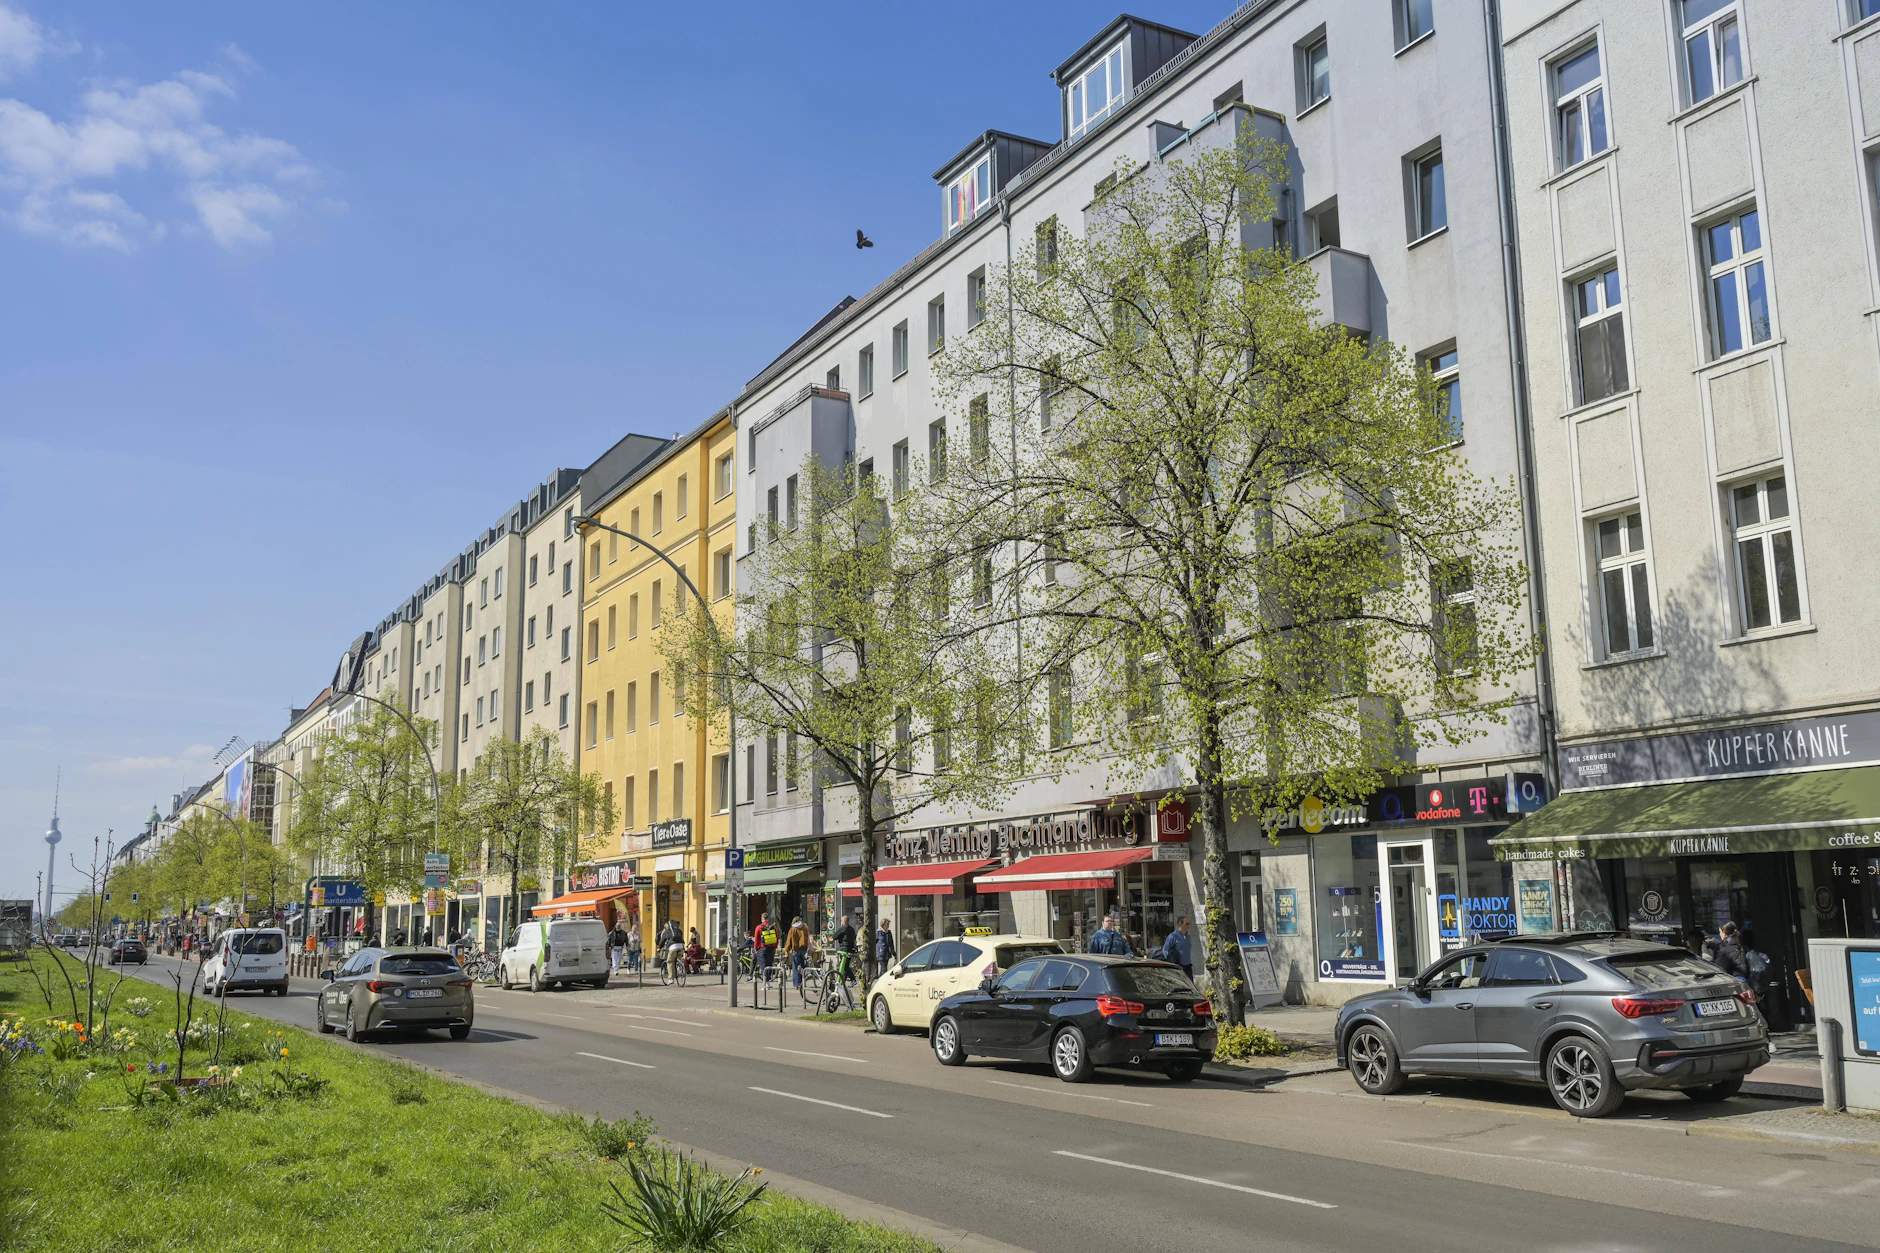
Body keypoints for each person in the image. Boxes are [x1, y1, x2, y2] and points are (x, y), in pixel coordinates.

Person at [783, 917, 810, 989]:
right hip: (804, 949)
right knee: (803, 966)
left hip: (796, 949)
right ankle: (803, 983)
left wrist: (787, 950)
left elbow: (789, 941)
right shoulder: (805, 927)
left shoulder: (793, 929)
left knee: (796, 967)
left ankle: (797, 984)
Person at [754, 913, 780, 978]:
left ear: (762, 919)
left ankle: (765, 981)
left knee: (763, 965)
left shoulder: (759, 927)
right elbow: (777, 937)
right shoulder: (773, 927)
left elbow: (756, 940)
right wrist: (775, 946)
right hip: (772, 948)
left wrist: (756, 949)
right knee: (769, 964)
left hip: (763, 948)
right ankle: (769, 979)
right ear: (768, 919)